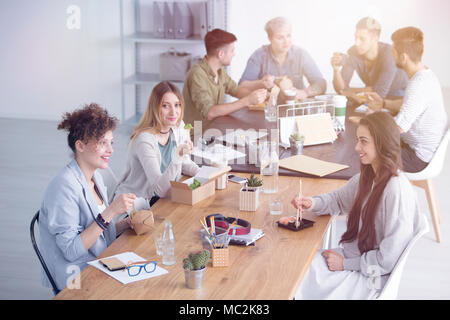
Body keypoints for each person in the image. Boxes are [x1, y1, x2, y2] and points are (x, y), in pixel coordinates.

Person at [291, 112, 427, 299]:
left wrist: (345, 264)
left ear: (382, 143)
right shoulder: (368, 177)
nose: (356, 147)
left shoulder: (396, 190)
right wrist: (312, 203)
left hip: (371, 278)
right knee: (297, 264)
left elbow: (387, 259)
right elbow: (338, 200)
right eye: (357, 140)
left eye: (363, 141)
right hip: (356, 260)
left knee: (296, 274)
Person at [39, 104, 136, 291]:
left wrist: (121, 225)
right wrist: (110, 212)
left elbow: (95, 234)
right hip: (76, 277)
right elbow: (70, 251)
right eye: (102, 143)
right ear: (80, 146)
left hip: (98, 261)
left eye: (111, 143)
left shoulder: (95, 176)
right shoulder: (63, 187)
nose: (110, 150)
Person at [366, 27, 448, 173]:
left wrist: (372, 120)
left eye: (393, 52)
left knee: (364, 151)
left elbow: (397, 128)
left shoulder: (419, 84)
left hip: (416, 158)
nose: (391, 55)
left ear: (403, 58)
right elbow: (409, 104)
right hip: (418, 150)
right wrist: (383, 104)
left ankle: (371, 195)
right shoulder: (426, 75)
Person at [113, 81, 199, 206]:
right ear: (155, 107)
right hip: (135, 206)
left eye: (177, 105)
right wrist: (178, 156)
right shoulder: (145, 140)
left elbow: (184, 163)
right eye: (165, 106)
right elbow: (160, 189)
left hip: (161, 200)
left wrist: (205, 175)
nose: (173, 112)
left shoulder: (177, 127)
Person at [183, 28, 268, 131]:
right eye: (232, 50)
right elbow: (210, 112)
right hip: (197, 134)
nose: (234, 54)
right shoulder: (197, 75)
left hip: (215, 128)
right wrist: (247, 100)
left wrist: (262, 95)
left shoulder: (219, 71)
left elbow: (236, 90)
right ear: (221, 54)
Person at [239, 16, 326, 99]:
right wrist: (261, 83)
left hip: (295, 108)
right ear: (270, 38)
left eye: (288, 36)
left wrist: (305, 93)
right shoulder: (259, 55)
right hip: (268, 109)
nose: (286, 41)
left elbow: (321, 84)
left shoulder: (300, 54)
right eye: (280, 37)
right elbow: (242, 86)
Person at [331, 17, 408, 98]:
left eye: (362, 39)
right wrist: (336, 70)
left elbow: (379, 93)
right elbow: (341, 90)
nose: (357, 43)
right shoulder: (353, 52)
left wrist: (349, 91)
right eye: (356, 37)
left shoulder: (389, 53)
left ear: (375, 39)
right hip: (372, 96)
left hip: (399, 95)